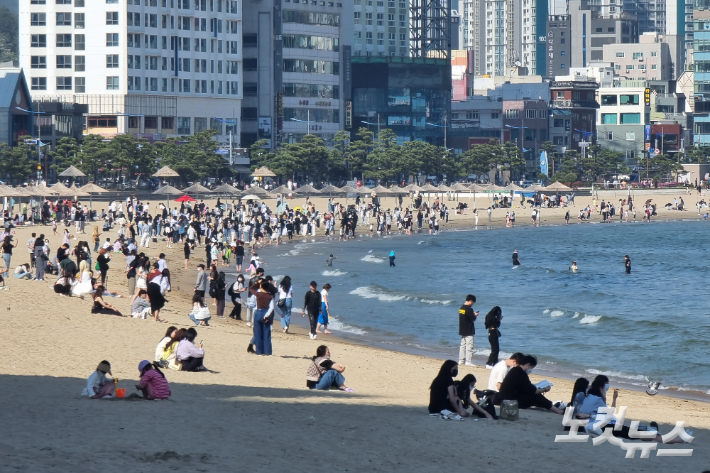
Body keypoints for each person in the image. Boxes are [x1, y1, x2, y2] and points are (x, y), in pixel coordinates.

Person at [577, 375, 689, 443]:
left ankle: (655, 431)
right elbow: (610, 414)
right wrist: (610, 398)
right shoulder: (598, 399)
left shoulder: (587, 397)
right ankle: (679, 440)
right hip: (607, 428)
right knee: (645, 434)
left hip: (604, 426)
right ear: (602, 387)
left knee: (639, 434)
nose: (607, 387)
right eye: (606, 385)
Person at [498, 354, 564, 414]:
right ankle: (557, 410)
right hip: (511, 401)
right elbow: (532, 391)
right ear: (528, 365)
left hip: (505, 398)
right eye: (531, 367)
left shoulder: (514, 370)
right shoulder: (521, 373)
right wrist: (544, 389)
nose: (531, 370)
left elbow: (525, 387)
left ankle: (553, 406)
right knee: (536, 396)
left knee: (535, 396)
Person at [250, 279, 275, 355]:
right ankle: (267, 352)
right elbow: (272, 307)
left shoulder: (258, 294)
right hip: (266, 313)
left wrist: (256, 283)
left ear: (261, 287)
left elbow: (250, 289)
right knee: (266, 334)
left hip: (258, 313)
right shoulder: (270, 296)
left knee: (258, 333)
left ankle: (259, 351)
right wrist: (267, 315)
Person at [458, 294, 478, 367]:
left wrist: (472, 315)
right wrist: (475, 315)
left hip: (462, 329)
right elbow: (472, 319)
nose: (472, 304)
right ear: (470, 301)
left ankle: (461, 360)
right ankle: (468, 361)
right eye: (472, 302)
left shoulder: (461, 308)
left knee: (462, 346)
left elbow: (465, 317)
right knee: (469, 346)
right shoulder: (469, 309)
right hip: (469, 330)